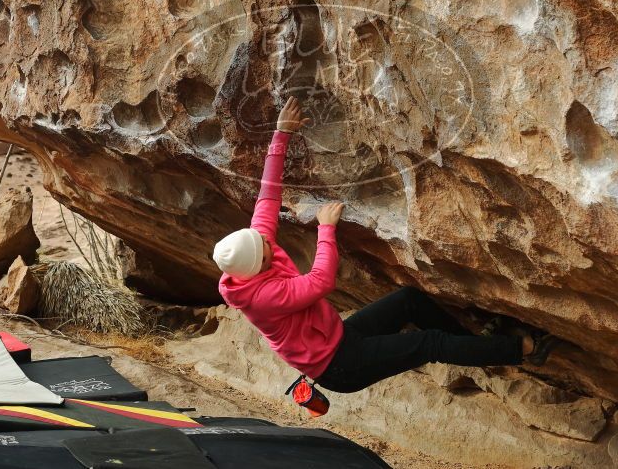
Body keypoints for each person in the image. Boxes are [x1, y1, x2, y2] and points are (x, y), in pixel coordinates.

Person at [212, 97, 558, 393]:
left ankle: (479, 346)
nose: (268, 238)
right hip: (339, 366)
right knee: (427, 344)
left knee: (409, 301)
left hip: (340, 337)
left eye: (261, 236)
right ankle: (523, 349)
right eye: (264, 244)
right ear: (257, 265)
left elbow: (267, 196)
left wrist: (281, 134)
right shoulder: (264, 298)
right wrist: (326, 230)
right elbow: (320, 282)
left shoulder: (252, 255)